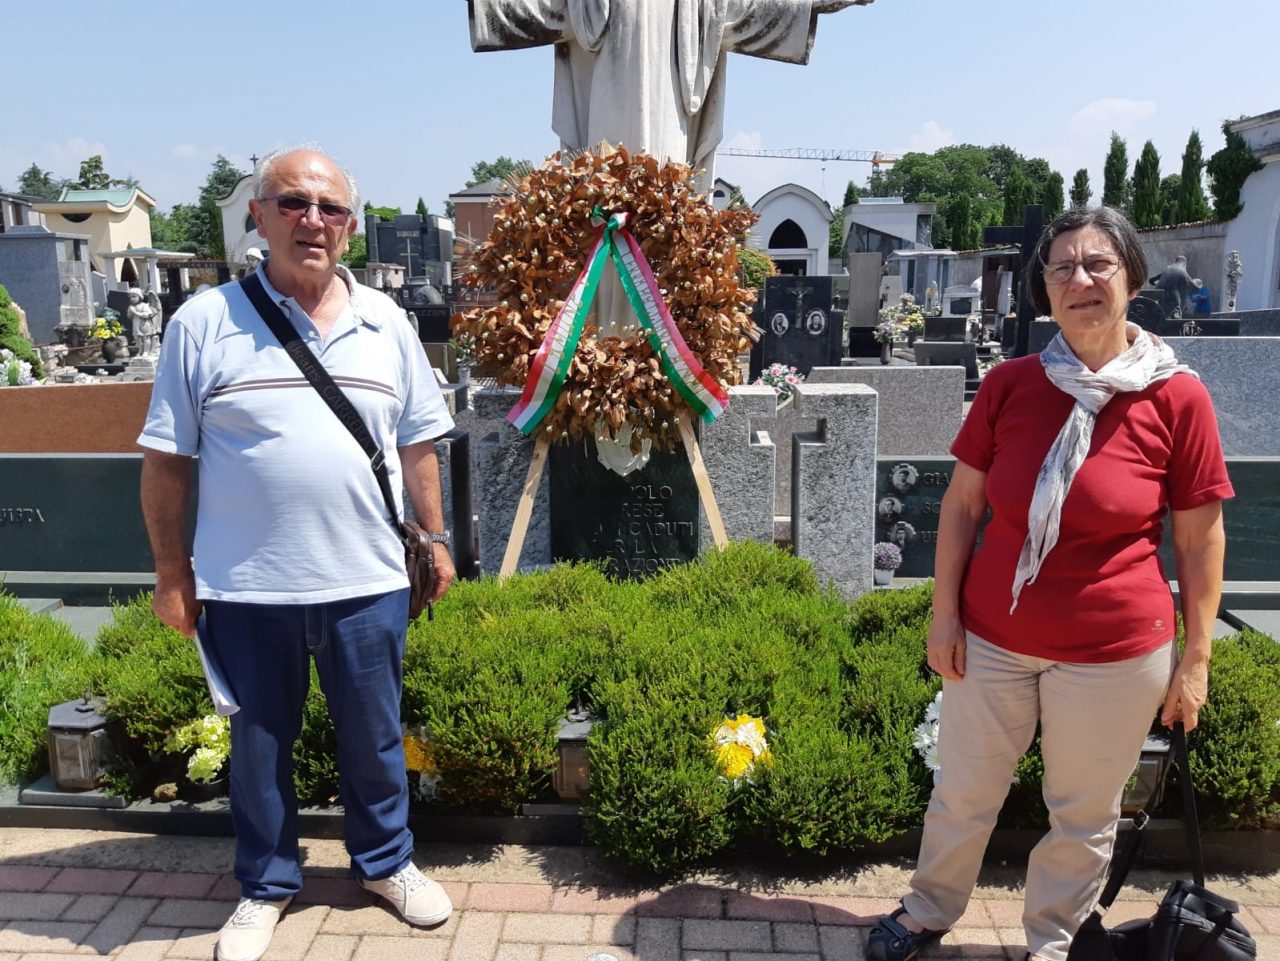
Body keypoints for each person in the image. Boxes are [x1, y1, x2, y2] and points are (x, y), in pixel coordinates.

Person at [868, 207, 1233, 961]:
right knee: (964, 789)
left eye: (1098, 263)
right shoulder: (1010, 385)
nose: (1080, 280)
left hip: (1114, 651)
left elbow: (1200, 538)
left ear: (1131, 276)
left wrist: (1195, 659)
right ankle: (928, 907)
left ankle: (1054, 940)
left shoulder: (1177, 398)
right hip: (994, 639)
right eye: (1062, 267)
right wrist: (944, 614)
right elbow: (964, 505)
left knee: (1084, 810)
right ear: (1045, 290)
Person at [138, 146, 457, 961]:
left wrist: (438, 537)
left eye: (330, 207)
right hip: (248, 586)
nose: (312, 220)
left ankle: (386, 863)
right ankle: (266, 884)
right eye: (293, 202)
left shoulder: (388, 323)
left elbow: (419, 443)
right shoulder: (203, 324)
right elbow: (167, 462)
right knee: (258, 746)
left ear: (350, 226)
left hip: (370, 579)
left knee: (375, 735)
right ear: (260, 214)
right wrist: (173, 575)